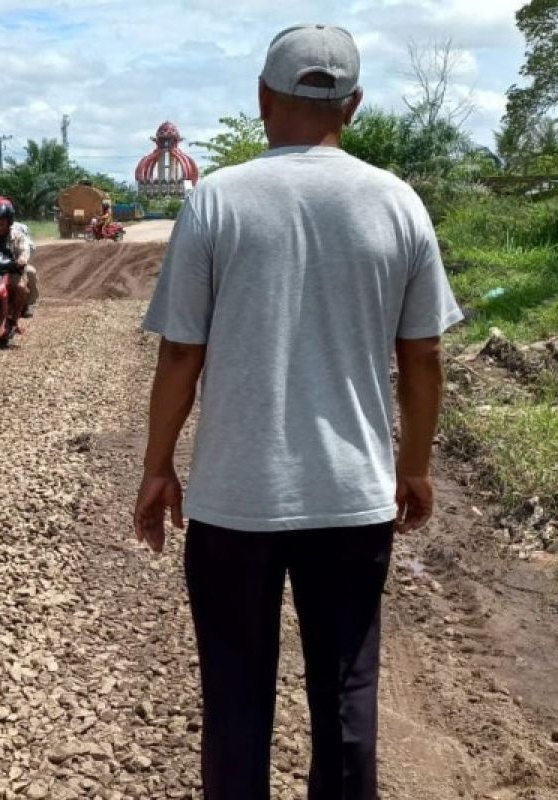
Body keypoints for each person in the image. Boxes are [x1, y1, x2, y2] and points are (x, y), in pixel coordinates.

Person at [133, 23, 462, 800]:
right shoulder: (398, 204)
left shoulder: (216, 201)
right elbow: (423, 359)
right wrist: (413, 465)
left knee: (237, 702)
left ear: (262, 97)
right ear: (352, 104)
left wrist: (156, 468)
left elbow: (182, 354)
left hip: (234, 502)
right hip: (352, 498)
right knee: (346, 699)